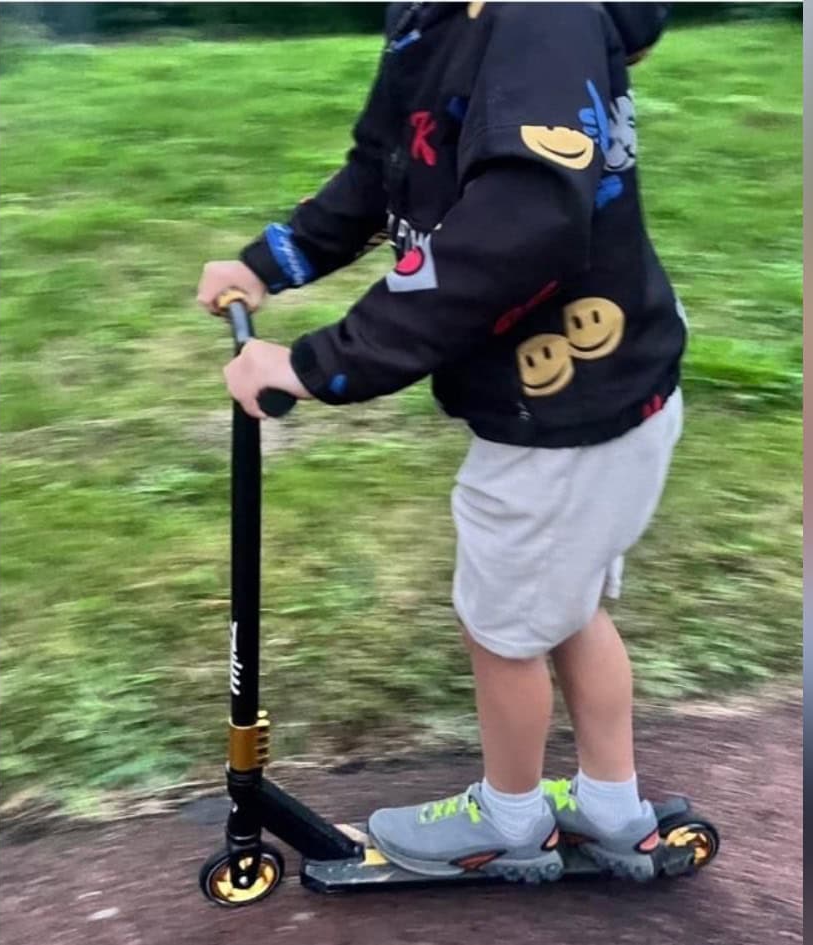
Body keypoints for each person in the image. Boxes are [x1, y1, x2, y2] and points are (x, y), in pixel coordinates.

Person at [196, 1, 684, 883]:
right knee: (564, 608)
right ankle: (612, 806)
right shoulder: (433, 18)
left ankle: (508, 821)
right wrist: (270, 262)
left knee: (502, 627)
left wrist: (323, 364)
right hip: (585, 400)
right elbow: (386, 169)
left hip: (570, 406)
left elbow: (521, 224)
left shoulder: (538, 19)